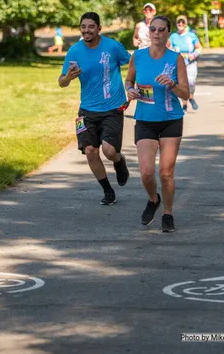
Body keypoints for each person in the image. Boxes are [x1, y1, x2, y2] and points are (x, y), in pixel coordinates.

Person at [58, 12, 131, 205]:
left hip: (113, 107)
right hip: (87, 110)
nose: (86, 30)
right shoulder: (74, 51)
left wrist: (132, 86)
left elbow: (132, 64)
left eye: (91, 26)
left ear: (99, 28)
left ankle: (119, 160)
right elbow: (61, 82)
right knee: (90, 150)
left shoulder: (113, 47)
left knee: (108, 150)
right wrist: (68, 78)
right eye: (83, 27)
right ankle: (108, 191)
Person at [125, 15, 189, 232]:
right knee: (146, 172)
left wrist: (172, 84)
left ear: (168, 33)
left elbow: (186, 94)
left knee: (166, 172)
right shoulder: (138, 56)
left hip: (170, 120)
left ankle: (168, 213)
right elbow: (129, 80)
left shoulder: (175, 59)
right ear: (148, 32)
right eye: (153, 29)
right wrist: (130, 90)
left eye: (162, 30)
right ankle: (154, 199)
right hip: (145, 120)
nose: (157, 33)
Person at [169, 15, 202, 111]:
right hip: (179, 64)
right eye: (179, 22)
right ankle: (184, 104)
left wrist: (194, 55)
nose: (180, 24)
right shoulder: (173, 36)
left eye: (183, 22)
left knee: (191, 83)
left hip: (190, 62)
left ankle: (191, 97)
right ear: (176, 24)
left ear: (185, 24)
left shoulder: (191, 35)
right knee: (182, 84)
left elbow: (199, 47)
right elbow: (169, 48)